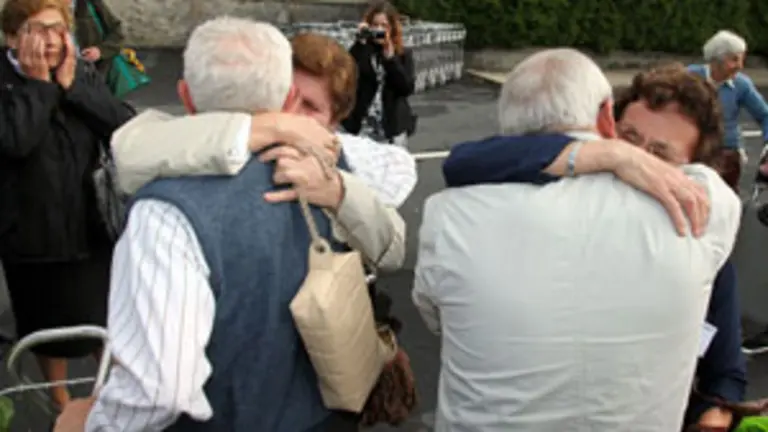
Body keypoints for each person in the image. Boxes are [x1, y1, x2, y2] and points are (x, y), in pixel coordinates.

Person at [54, 18, 381, 432]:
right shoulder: (326, 167)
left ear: (185, 97)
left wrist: (89, 423)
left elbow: (160, 388)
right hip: (324, 416)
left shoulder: (165, 213)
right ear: (288, 96)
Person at [412, 49, 741, 431]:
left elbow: (461, 163)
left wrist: (718, 407)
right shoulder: (709, 215)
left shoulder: (451, 215)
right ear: (608, 122)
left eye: (659, 156)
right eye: (628, 139)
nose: (640, 161)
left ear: (693, 168)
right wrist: (608, 157)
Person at [107, 32, 413, 269]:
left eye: (310, 106)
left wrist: (337, 193)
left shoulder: (346, 158)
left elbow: (392, 253)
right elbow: (131, 152)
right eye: (284, 95)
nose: (290, 114)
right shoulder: (230, 138)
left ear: (334, 121)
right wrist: (267, 129)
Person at [0, 0, 133, 409]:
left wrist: (75, 89)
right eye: (39, 30)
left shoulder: (79, 72)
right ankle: (60, 401)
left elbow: (123, 125)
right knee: (45, 322)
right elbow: (14, 140)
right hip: (32, 230)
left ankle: (109, 392)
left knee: (102, 317)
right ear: (11, 37)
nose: (53, 40)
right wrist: (39, 86)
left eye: (59, 29)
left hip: (89, 223)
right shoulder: (6, 79)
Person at [687, 30, 768, 193]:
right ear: (717, 59)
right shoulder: (689, 77)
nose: (740, 66)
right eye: (734, 59)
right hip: (693, 149)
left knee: (726, 196)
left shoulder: (741, 85)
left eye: (742, 59)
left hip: (727, 152)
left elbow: (764, 115)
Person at [341, 1, 415, 147]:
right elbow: (348, 74)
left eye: (384, 26)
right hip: (362, 125)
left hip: (391, 127)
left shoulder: (402, 54)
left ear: (392, 28)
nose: (379, 30)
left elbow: (406, 88)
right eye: (375, 25)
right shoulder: (362, 50)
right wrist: (359, 42)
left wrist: (390, 59)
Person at [67, 0, 124, 74]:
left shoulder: (89, 4)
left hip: (95, 74)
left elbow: (117, 33)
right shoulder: (49, 8)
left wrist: (100, 51)